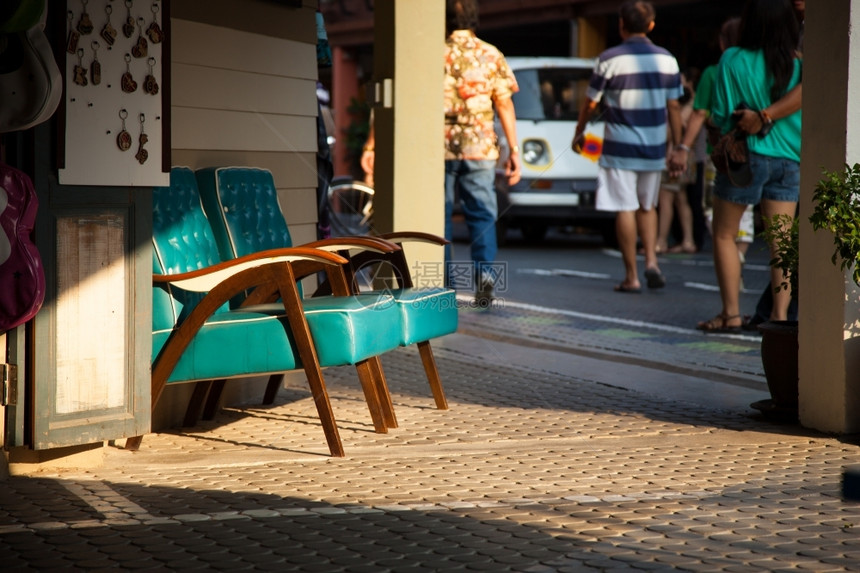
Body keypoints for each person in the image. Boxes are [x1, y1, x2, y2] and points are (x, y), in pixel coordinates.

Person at [686, 0, 801, 333]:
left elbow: (721, 114)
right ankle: (779, 318)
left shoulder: (733, 58)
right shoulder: (799, 65)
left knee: (724, 233)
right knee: (782, 243)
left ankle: (731, 313)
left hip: (744, 159)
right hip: (789, 159)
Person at [572, 0, 683, 293]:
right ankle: (652, 263)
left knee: (624, 207)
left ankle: (632, 277)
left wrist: (580, 130)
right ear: (651, 26)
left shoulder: (609, 59)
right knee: (648, 205)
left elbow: (591, 102)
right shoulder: (668, 60)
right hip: (654, 147)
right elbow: (673, 106)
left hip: (620, 147)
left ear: (621, 25)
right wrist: (680, 145)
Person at [443, 0, 520, 304]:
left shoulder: (435, 53)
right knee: (483, 213)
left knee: (441, 215)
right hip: (481, 146)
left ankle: (444, 284)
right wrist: (513, 149)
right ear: (475, 19)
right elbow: (504, 102)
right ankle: (485, 274)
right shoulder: (491, 53)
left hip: (439, 146)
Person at [656, 71, 700, 254]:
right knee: (681, 199)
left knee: (666, 197)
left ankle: (661, 241)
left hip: (676, 156)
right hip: (685, 156)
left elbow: (674, 130)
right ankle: (687, 240)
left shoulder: (687, 105)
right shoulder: (692, 103)